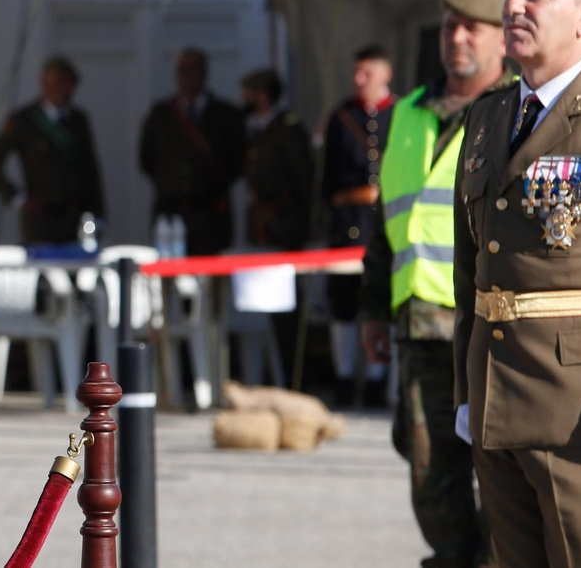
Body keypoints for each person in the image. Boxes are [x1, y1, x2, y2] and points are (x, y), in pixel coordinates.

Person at [452, 0, 581, 568]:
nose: (513, 6)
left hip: (577, 408)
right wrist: (466, 388)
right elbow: (472, 263)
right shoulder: (488, 118)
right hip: (495, 398)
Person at [360, 0, 507, 568]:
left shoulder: (516, 112)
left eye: (473, 26)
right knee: (429, 477)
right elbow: (384, 225)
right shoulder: (408, 115)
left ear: (503, 41)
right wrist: (374, 308)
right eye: (450, 25)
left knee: (499, 474)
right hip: (420, 327)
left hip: (490, 329)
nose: (458, 37)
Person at [321, 44, 394, 406]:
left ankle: (379, 382)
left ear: (385, 74)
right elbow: (327, 181)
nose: (358, 80)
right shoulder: (341, 116)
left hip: (385, 223)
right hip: (348, 224)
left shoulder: (400, 113)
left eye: (366, 73)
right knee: (345, 302)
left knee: (380, 298)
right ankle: (346, 378)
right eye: (356, 73)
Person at [0, 56, 104, 245]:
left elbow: (91, 170)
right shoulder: (24, 120)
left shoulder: (79, 120)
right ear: (45, 84)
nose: (65, 90)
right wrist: (18, 198)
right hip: (41, 222)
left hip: (76, 220)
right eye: (59, 84)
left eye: (69, 84)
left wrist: (98, 214)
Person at [140, 48, 247, 255]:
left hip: (211, 214)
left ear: (204, 74)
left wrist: (207, 184)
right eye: (182, 70)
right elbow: (147, 160)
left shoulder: (226, 114)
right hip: (171, 211)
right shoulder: (160, 114)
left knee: (213, 276)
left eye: (193, 70)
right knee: (169, 275)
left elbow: (238, 161)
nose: (187, 77)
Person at [241, 69, 314, 251]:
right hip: (259, 220)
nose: (244, 98)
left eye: (249, 93)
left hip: (286, 222)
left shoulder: (288, 129)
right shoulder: (250, 128)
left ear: (263, 95)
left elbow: (303, 177)